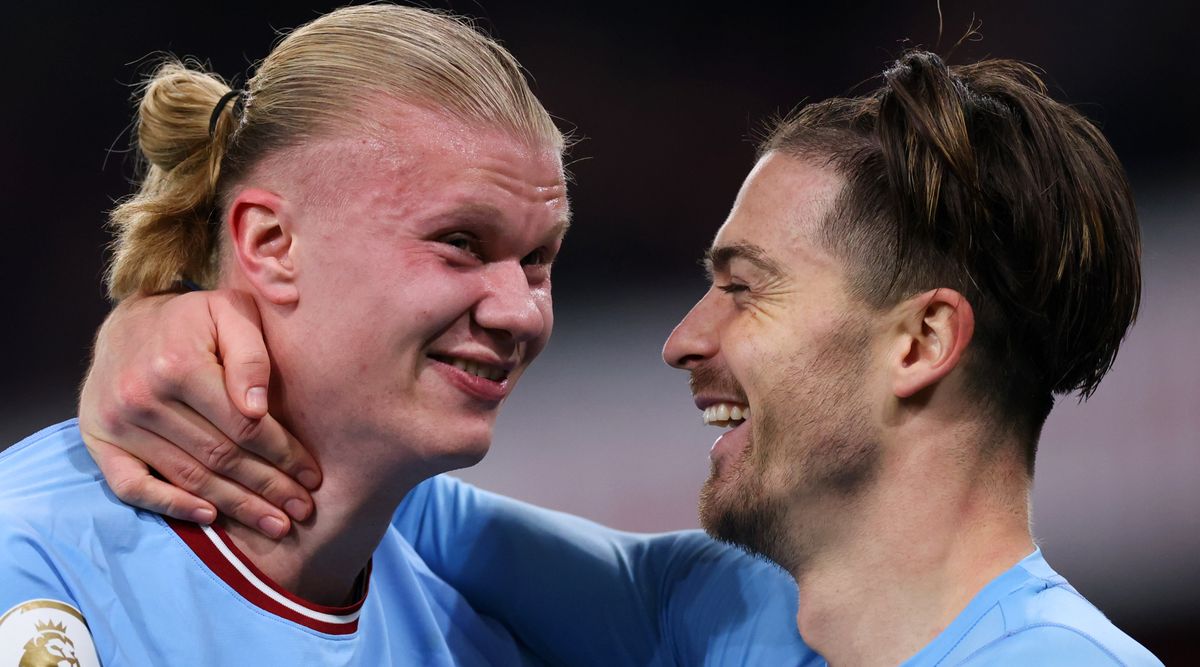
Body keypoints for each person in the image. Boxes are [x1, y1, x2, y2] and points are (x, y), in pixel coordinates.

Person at [75, 46, 1160, 667]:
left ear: (921, 342)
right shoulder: (718, 617)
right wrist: (179, 322)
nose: (686, 337)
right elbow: (360, 475)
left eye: (744, 287)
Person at [3, 5, 819, 665]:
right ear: (271, 245)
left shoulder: (485, 619)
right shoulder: (35, 561)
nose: (522, 312)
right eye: (461, 242)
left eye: (538, 260)